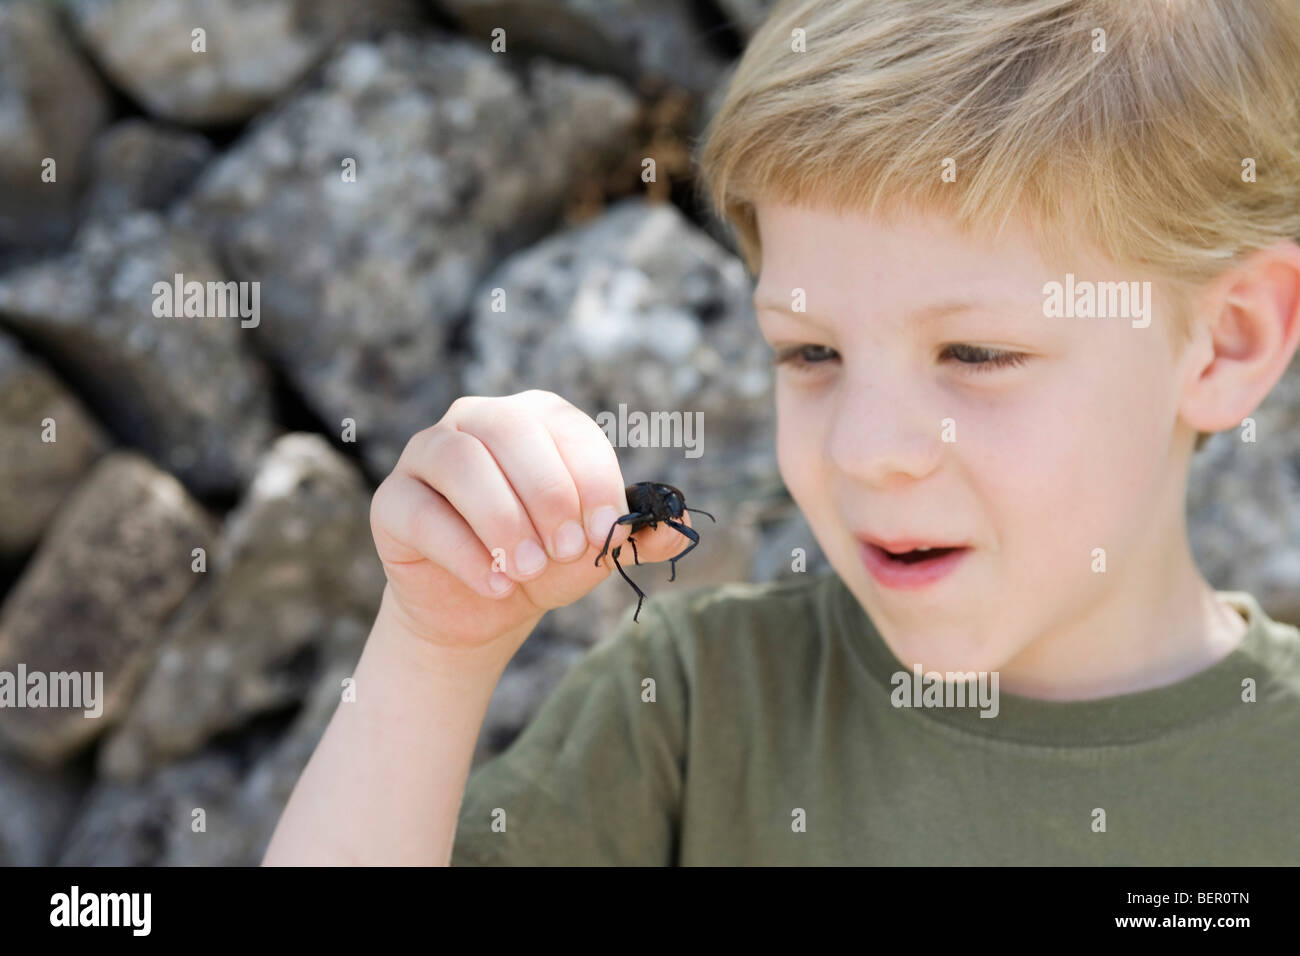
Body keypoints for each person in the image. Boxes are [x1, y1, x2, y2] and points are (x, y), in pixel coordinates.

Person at [263, 0, 1300, 865]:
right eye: (810, 353)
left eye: (975, 354)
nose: (862, 447)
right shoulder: (693, 709)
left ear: (1225, 341)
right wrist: (437, 646)